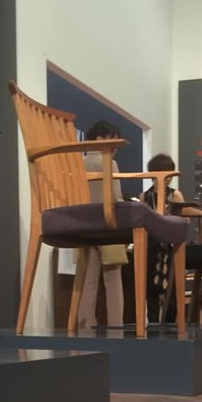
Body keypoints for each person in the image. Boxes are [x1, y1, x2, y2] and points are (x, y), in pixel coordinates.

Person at [78, 120, 126, 329]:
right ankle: (116, 325)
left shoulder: (79, 163)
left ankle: (85, 324)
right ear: (99, 139)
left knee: (88, 280)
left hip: (84, 226)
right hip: (107, 227)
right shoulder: (109, 163)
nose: (116, 147)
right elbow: (116, 198)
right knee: (113, 279)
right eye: (112, 141)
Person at [140, 153, 184, 323]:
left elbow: (183, 222)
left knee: (171, 290)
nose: (168, 179)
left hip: (170, 248)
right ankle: (152, 324)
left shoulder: (175, 195)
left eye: (170, 175)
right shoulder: (145, 196)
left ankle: (172, 325)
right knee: (150, 288)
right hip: (151, 247)